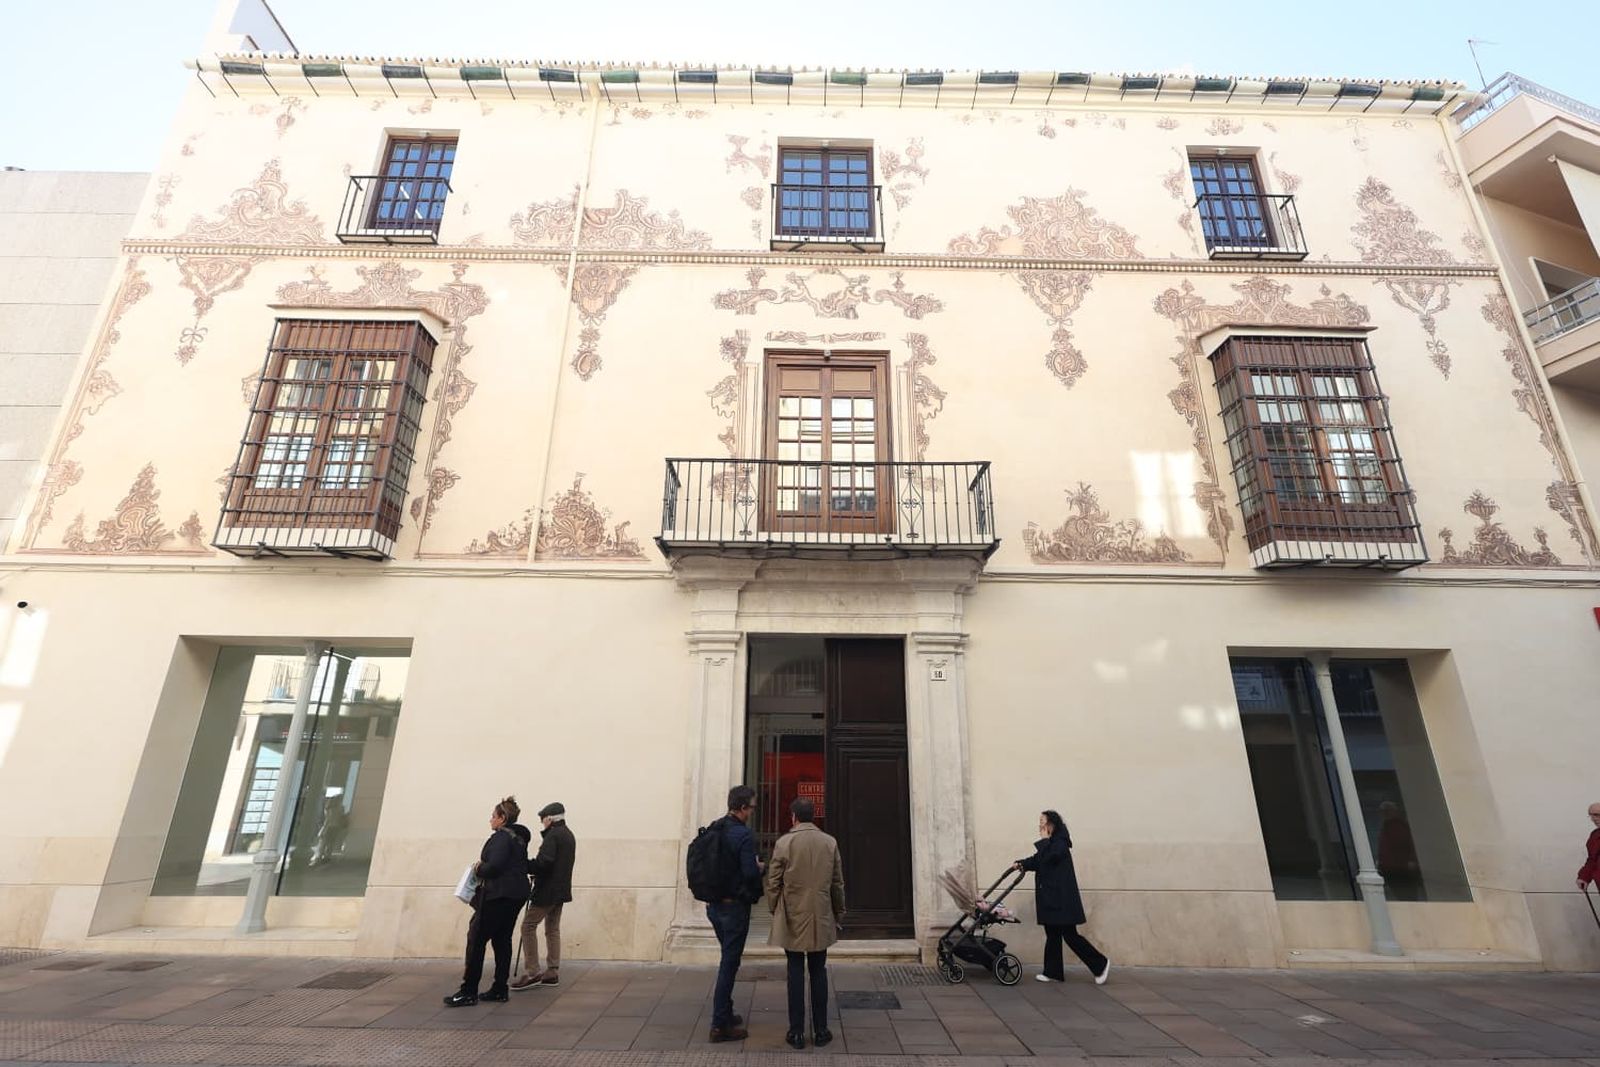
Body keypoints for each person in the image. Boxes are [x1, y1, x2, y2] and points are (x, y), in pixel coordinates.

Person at [765, 796, 845, 1050]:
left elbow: (773, 880)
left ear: (793, 817)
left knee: (795, 970)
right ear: (814, 817)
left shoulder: (784, 843)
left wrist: (772, 907)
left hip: (793, 913)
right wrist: (838, 911)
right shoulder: (829, 843)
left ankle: (796, 1031)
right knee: (819, 970)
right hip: (820, 912)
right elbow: (837, 883)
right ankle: (821, 1030)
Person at [445, 796, 530, 1006]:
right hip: (516, 893)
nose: (490, 820)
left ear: (502, 818)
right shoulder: (518, 838)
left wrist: (478, 868)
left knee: (476, 937)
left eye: (493, 816)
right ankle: (500, 988)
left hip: (499, 895)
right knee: (502, 939)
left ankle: (468, 990)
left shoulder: (501, 838)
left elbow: (495, 866)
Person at [1012, 809, 1109, 985]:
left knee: (1069, 935)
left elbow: (1051, 857)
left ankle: (1100, 964)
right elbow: (1038, 860)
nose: (1040, 825)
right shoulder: (1050, 843)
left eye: (1043, 822)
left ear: (1052, 825)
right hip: (1052, 898)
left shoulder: (1060, 843)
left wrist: (1044, 841)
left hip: (1061, 900)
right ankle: (1053, 972)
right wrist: (1022, 864)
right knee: (1053, 933)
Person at [706, 785, 763, 1043]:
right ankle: (719, 1025)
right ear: (742, 808)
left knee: (727, 960)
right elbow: (749, 873)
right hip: (733, 908)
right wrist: (759, 867)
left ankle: (726, 1014)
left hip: (714, 906)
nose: (752, 811)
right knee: (729, 965)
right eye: (751, 807)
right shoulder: (742, 835)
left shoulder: (716, 827)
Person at [511, 801, 576, 989]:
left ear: (549, 819)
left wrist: (527, 865)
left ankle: (533, 971)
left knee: (528, 926)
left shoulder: (553, 835)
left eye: (543, 820)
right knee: (552, 929)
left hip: (547, 891)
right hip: (561, 891)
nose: (542, 823)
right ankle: (552, 971)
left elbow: (544, 863)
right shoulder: (568, 835)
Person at [1576, 801, 1600, 891]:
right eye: (1591, 816)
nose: (1593, 819)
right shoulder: (1595, 836)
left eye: (1597, 815)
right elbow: (1592, 860)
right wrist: (1584, 877)